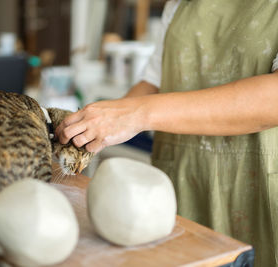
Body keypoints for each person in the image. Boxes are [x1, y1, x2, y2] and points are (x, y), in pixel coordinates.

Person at [55, 1, 278, 266]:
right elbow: (152, 83)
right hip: (182, 179)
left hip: (255, 186)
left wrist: (134, 114)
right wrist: (104, 122)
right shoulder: (179, 5)